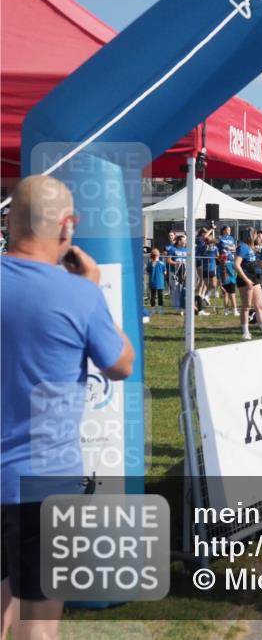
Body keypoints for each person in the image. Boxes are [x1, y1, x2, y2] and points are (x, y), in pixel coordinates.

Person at [1, 176, 134, 640]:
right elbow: (121, 364)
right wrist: (93, 290)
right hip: (46, 482)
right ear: (67, 226)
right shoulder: (79, 294)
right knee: (38, 625)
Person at [235, 227, 262, 340]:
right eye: (255, 234)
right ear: (250, 235)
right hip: (245, 279)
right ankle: (245, 332)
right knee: (246, 306)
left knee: (259, 305)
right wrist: (246, 280)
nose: (257, 236)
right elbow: (236, 265)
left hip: (254, 278)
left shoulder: (251, 247)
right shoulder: (242, 247)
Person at [147, 248, 166, 313]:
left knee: (158, 295)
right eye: (154, 254)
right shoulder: (151, 263)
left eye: (155, 254)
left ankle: (158, 308)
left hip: (159, 281)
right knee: (154, 295)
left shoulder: (161, 263)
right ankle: (154, 308)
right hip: (154, 282)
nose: (154, 256)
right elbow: (148, 270)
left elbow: (164, 271)